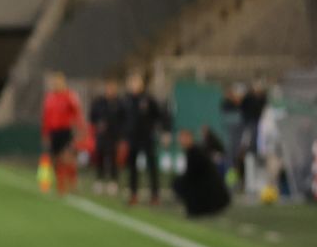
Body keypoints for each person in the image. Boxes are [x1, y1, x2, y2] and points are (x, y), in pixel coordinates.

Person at [117, 72, 169, 206]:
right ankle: (133, 194)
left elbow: (161, 115)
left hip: (147, 137)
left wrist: (165, 132)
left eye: (136, 82)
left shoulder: (148, 99)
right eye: (132, 82)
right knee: (132, 168)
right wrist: (122, 137)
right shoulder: (126, 100)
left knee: (151, 167)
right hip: (132, 138)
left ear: (142, 84)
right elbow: (120, 119)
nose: (134, 85)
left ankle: (155, 195)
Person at [39, 72, 83, 195]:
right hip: (54, 132)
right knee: (56, 159)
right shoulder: (50, 98)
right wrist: (45, 133)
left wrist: (79, 128)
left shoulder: (69, 96)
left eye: (59, 82)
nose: (57, 84)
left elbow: (76, 113)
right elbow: (46, 117)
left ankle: (73, 183)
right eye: (55, 82)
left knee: (67, 158)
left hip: (65, 131)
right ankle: (61, 185)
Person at [170, 128, 231, 217]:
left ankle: (197, 209)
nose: (180, 141)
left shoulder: (194, 151)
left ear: (188, 138)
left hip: (211, 191)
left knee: (179, 184)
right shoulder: (193, 150)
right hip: (209, 188)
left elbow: (192, 176)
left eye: (183, 138)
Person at [88, 77, 121, 194]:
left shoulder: (118, 103)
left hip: (113, 136)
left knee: (112, 159)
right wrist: (98, 124)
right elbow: (92, 116)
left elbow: (122, 119)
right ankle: (99, 180)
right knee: (100, 157)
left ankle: (113, 182)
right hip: (101, 136)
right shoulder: (100, 102)